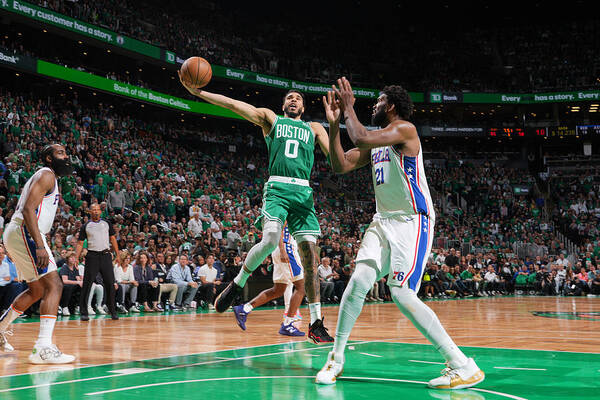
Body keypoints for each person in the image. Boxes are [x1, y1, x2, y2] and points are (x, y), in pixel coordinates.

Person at [315, 79, 484, 389]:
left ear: (390, 106)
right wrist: (335, 124)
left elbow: (362, 136)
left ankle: (461, 364)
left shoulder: (405, 130)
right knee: (357, 284)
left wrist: (349, 108)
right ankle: (336, 358)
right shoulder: (376, 141)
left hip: (412, 221)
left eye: (378, 102)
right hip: (384, 220)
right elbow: (339, 165)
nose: (374, 107)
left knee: (402, 293)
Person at [180, 73, 333, 343]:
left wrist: (335, 122)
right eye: (289, 98)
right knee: (271, 239)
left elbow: (337, 158)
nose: (294, 100)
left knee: (311, 256)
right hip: (278, 188)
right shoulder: (271, 119)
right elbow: (234, 105)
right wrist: (200, 93)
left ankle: (316, 322)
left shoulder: (315, 128)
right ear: (283, 104)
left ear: (304, 107)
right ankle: (237, 283)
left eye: (298, 98)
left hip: (304, 192)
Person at [0, 144, 76, 363]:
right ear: (48, 158)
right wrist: (40, 245)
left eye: (65, 151)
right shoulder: (46, 175)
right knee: (55, 285)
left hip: (20, 232)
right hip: (26, 230)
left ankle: (1, 328)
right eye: (61, 152)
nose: (66, 155)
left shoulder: (48, 176)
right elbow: (27, 209)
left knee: (36, 290)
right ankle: (43, 348)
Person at [232, 221, 306, 336]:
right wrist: (282, 250)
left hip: (280, 249)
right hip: (286, 248)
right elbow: (280, 228)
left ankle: (244, 309)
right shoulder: (289, 207)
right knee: (301, 287)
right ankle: (288, 323)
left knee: (278, 290)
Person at [75, 203, 120, 321]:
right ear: (90, 212)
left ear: (101, 211)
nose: (95, 211)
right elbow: (80, 243)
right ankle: (83, 312)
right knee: (87, 283)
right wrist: (76, 257)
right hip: (92, 255)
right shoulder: (86, 226)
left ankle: (112, 310)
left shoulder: (106, 223)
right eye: (93, 210)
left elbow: (113, 239)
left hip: (105, 255)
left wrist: (118, 254)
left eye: (97, 210)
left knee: (110, 283)